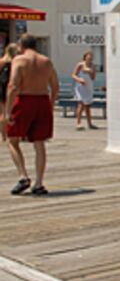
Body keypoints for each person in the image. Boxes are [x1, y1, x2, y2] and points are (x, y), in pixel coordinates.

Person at [3, 35, 59, 196]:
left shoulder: (19, 60)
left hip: (24, 99)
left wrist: (8, 111)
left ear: (21, 45)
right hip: (42, 100)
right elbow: (55, 85)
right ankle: (39, 183)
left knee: (12, 139)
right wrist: (51, 103)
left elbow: (13, 85)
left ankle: (23, 176)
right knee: (39, 143)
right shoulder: (46, 61)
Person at [71, 51, 97, 130]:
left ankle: (90, 123)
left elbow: (93, 78)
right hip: (80, 87)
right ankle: (78, 123)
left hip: (88, 87)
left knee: (88, 105)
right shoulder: (80, 65)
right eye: (88, 56)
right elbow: (73, 75)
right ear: (85, 57)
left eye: (91, 57)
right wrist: (79, 80)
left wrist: (91, 72)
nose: (90, 58)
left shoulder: (93, 66)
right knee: (81, 104)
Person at [0, 43, 19, 142]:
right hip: (15, 87)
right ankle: (15, 133)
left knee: (3, 112)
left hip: (3, 88)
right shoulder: (17, 61)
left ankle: (3, 136)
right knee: (15, 111)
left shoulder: (2, 61)